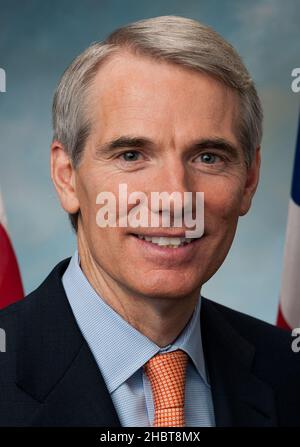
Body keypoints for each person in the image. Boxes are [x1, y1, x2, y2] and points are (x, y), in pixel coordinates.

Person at [0, 15, 299, 427]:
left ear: (249, 180)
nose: (174, 198)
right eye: (131, 155)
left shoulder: (289, 372)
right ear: (66, 176)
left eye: (208, 157)